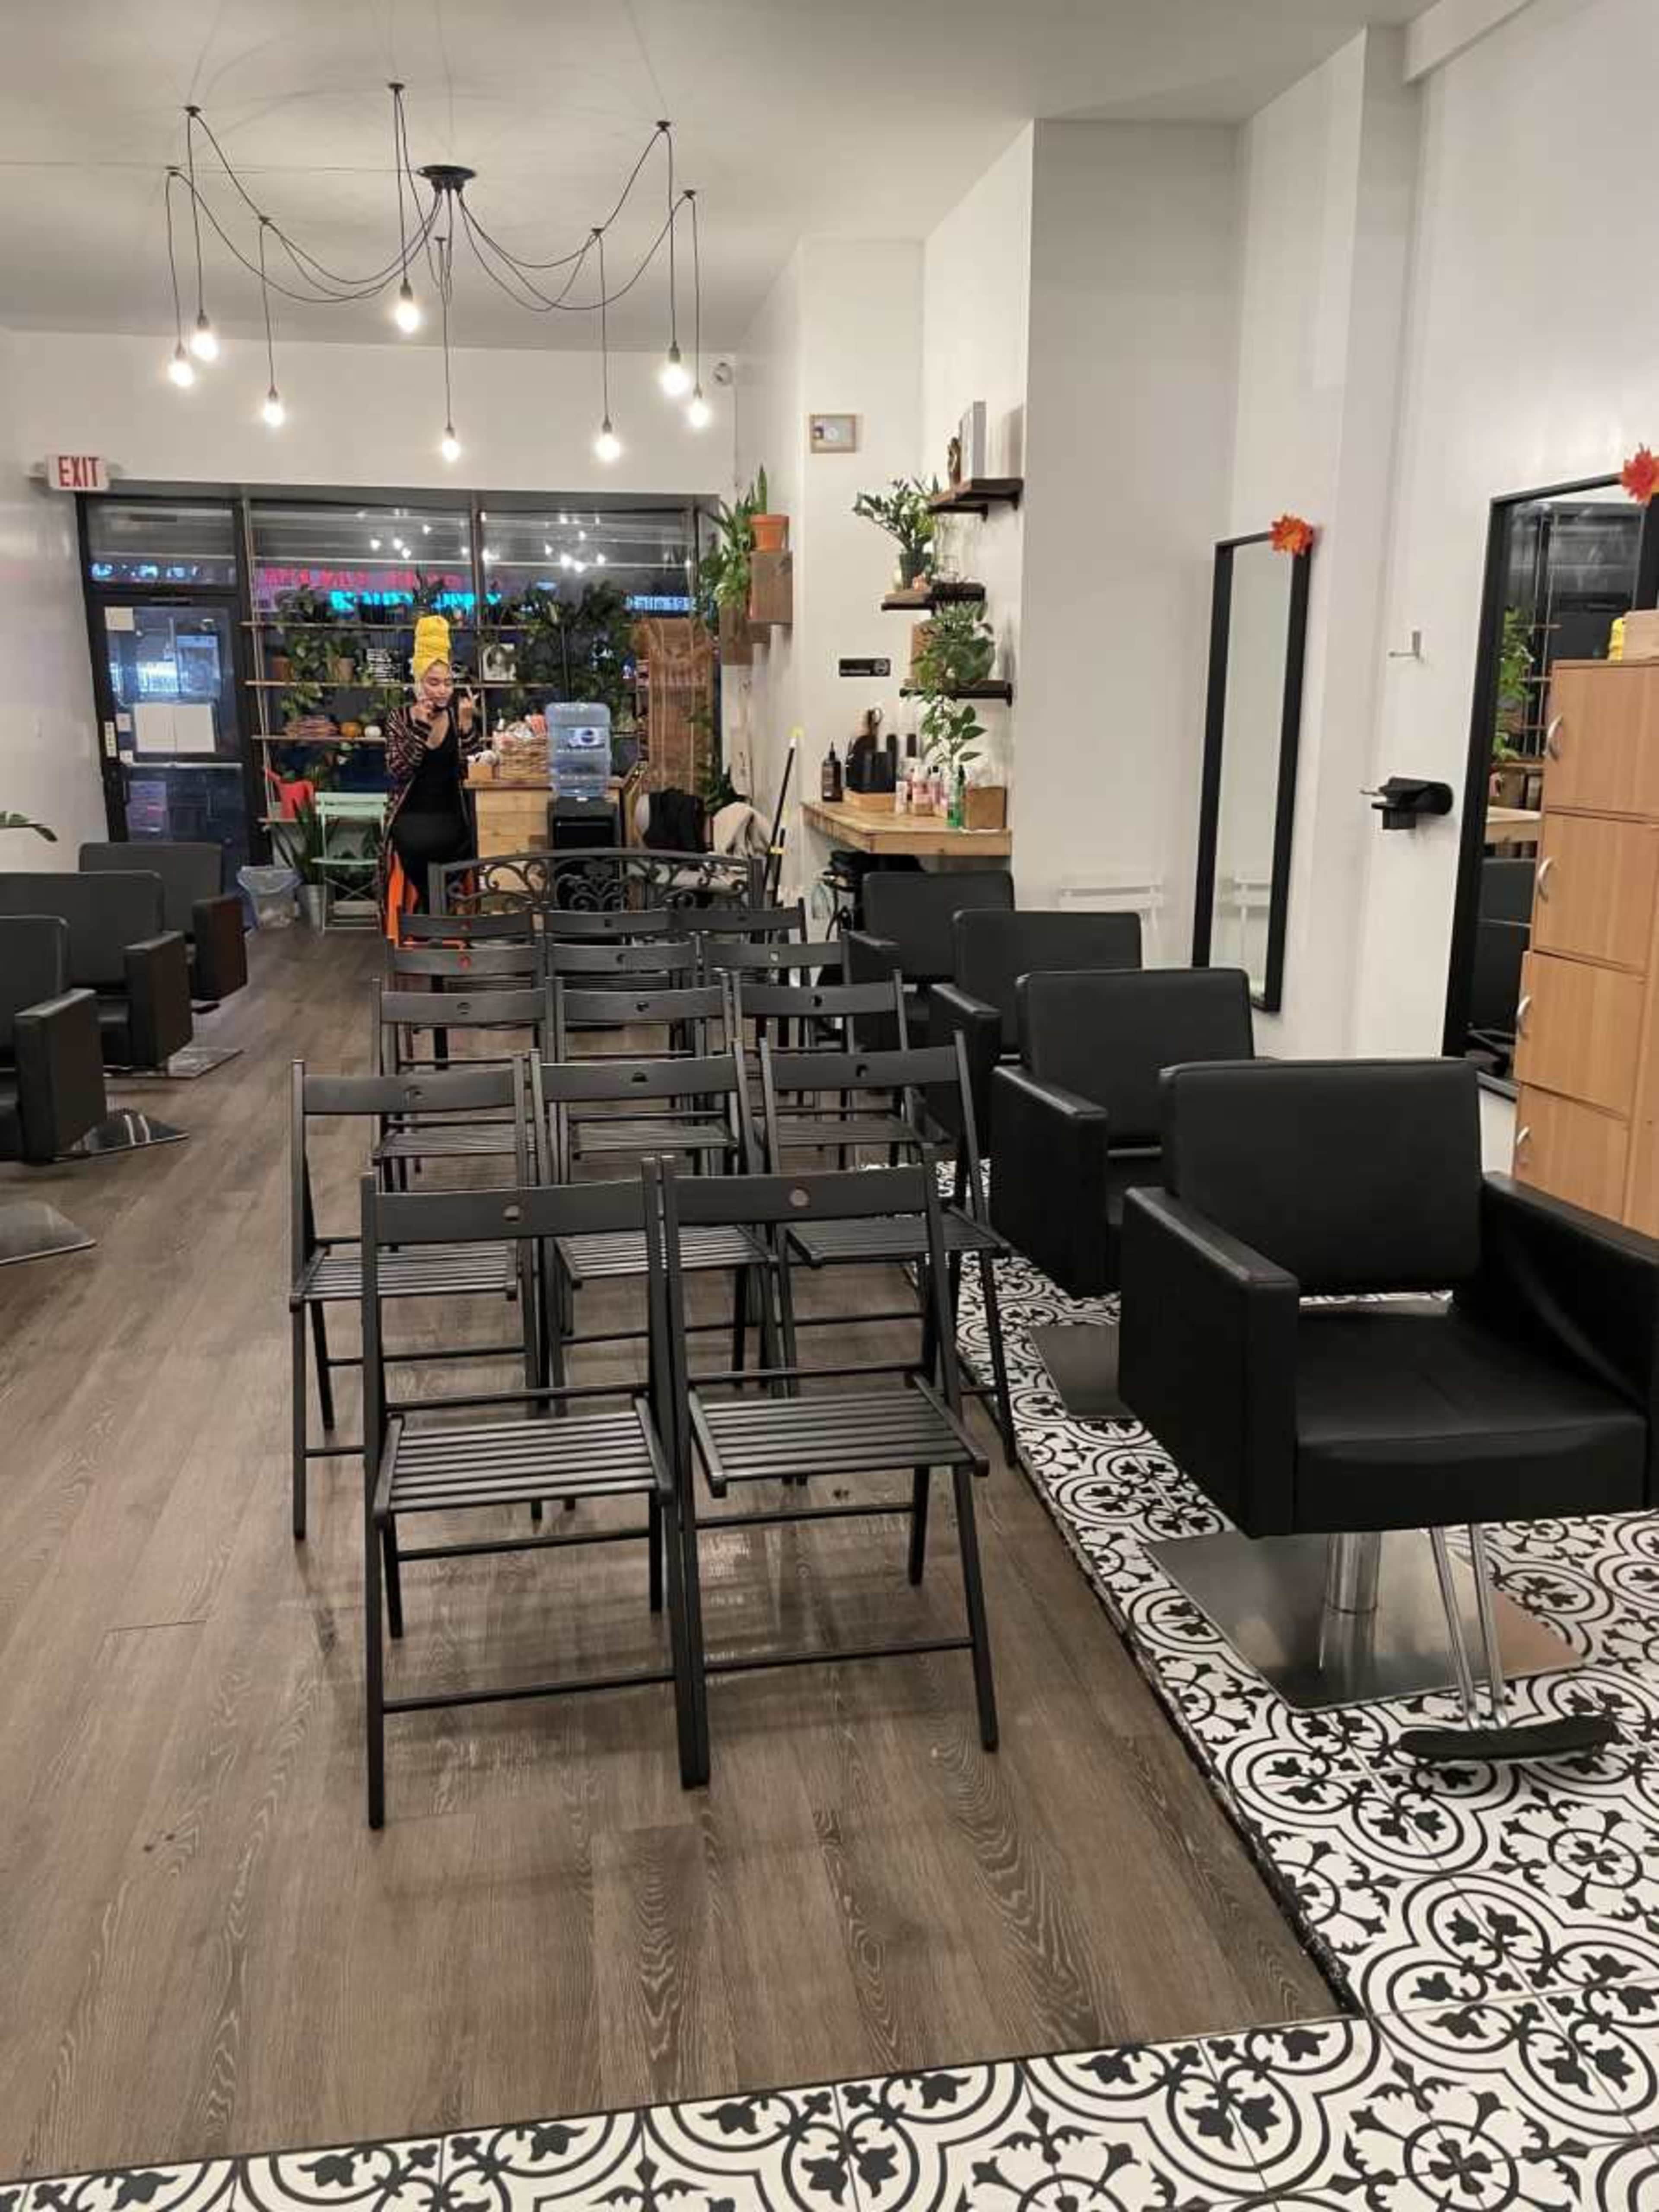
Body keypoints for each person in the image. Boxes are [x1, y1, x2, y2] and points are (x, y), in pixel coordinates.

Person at [381, 613, 479, 929]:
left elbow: (471, 769)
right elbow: (399, 769)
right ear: (418, 684)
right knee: (420, 843)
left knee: (469, 841)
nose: (442, 691)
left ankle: (436, 913)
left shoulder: (457, 714)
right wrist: (421, 728)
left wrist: (467, 726)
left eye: (448, 683)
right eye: (433, 683)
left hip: (452, 814)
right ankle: (433, 912)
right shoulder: (399, 718)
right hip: (412, 815)